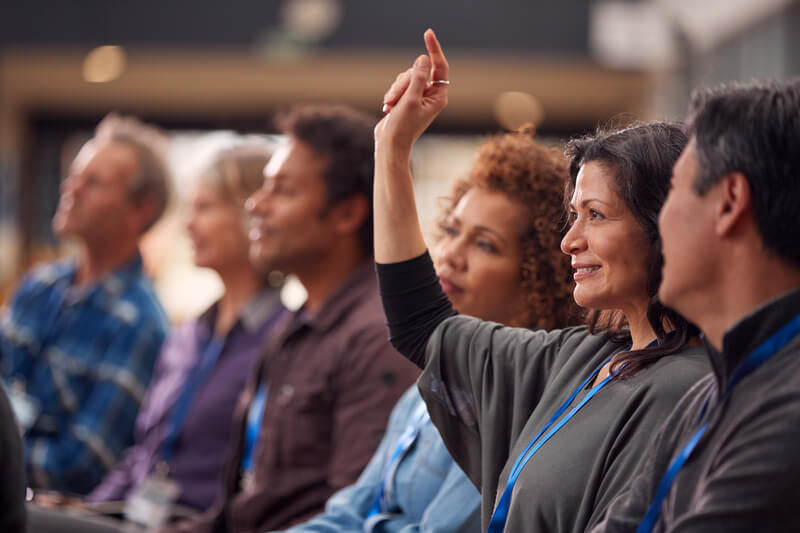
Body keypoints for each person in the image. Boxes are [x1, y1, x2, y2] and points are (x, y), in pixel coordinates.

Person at [373, 30, 710, 533]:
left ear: (665, 223)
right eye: (572, 216)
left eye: (595, 215)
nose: (569, 242)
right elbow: (422, 324)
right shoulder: (586, 357)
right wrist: (392, 149)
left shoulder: (689, 385)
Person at [280, 129, 578, 533]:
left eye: (485, 245)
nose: (451, 255)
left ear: (540, 274)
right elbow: (347, 513)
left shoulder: (519, 400)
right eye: (453, 231)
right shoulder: (427, 384)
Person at [167, 105, 419, 533]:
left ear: (347, 214)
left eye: (282, 191)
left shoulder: (375, 336)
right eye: (263, 187)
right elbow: (239, 510)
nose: (256, 205)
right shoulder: (296, 324)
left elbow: (351, 518)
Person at [590, 80, 800, 533]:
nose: (658, 222)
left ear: (729, 202)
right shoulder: (716, 389)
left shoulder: (787, 411)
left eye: (674, 192)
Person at [84, 143, 287, 522]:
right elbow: (142, 455)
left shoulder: (284, 341)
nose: (188, 225)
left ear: (252, 213)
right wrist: (85, 511)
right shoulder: (187, 336)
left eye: (205, 208)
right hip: (132, 518)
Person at [0, 114, 170, 494]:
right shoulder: (39, 286)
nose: (70, 189)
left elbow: (79, 466)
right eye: (73, 175)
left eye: (93, 183)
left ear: (139, 210)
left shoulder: (140, 323)